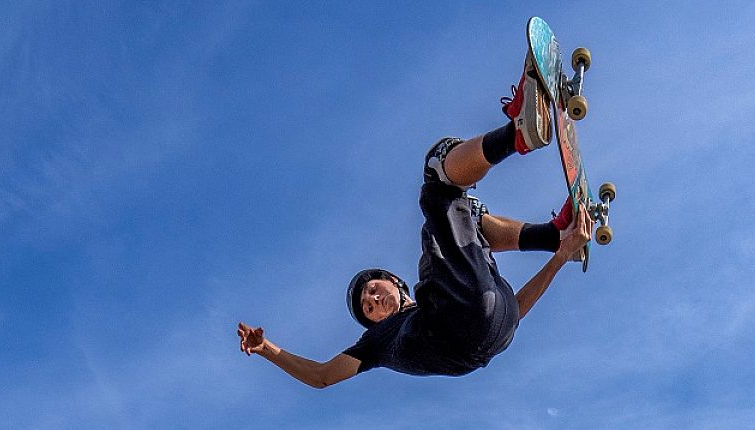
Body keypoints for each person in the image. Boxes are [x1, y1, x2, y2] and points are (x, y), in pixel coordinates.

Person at [237, 55, 594, 388]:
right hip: (470, 322)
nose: (373, 300)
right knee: (437, 179)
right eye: (368, 307)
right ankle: (515, 134)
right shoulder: (376, 342)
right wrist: (267, 348)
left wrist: (560, 256)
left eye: (373, 290)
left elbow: (511, 310)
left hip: (496, 330)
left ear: (395, 282)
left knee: (464, 218)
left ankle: (553, 235)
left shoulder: (446, 290)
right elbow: (322, 376)